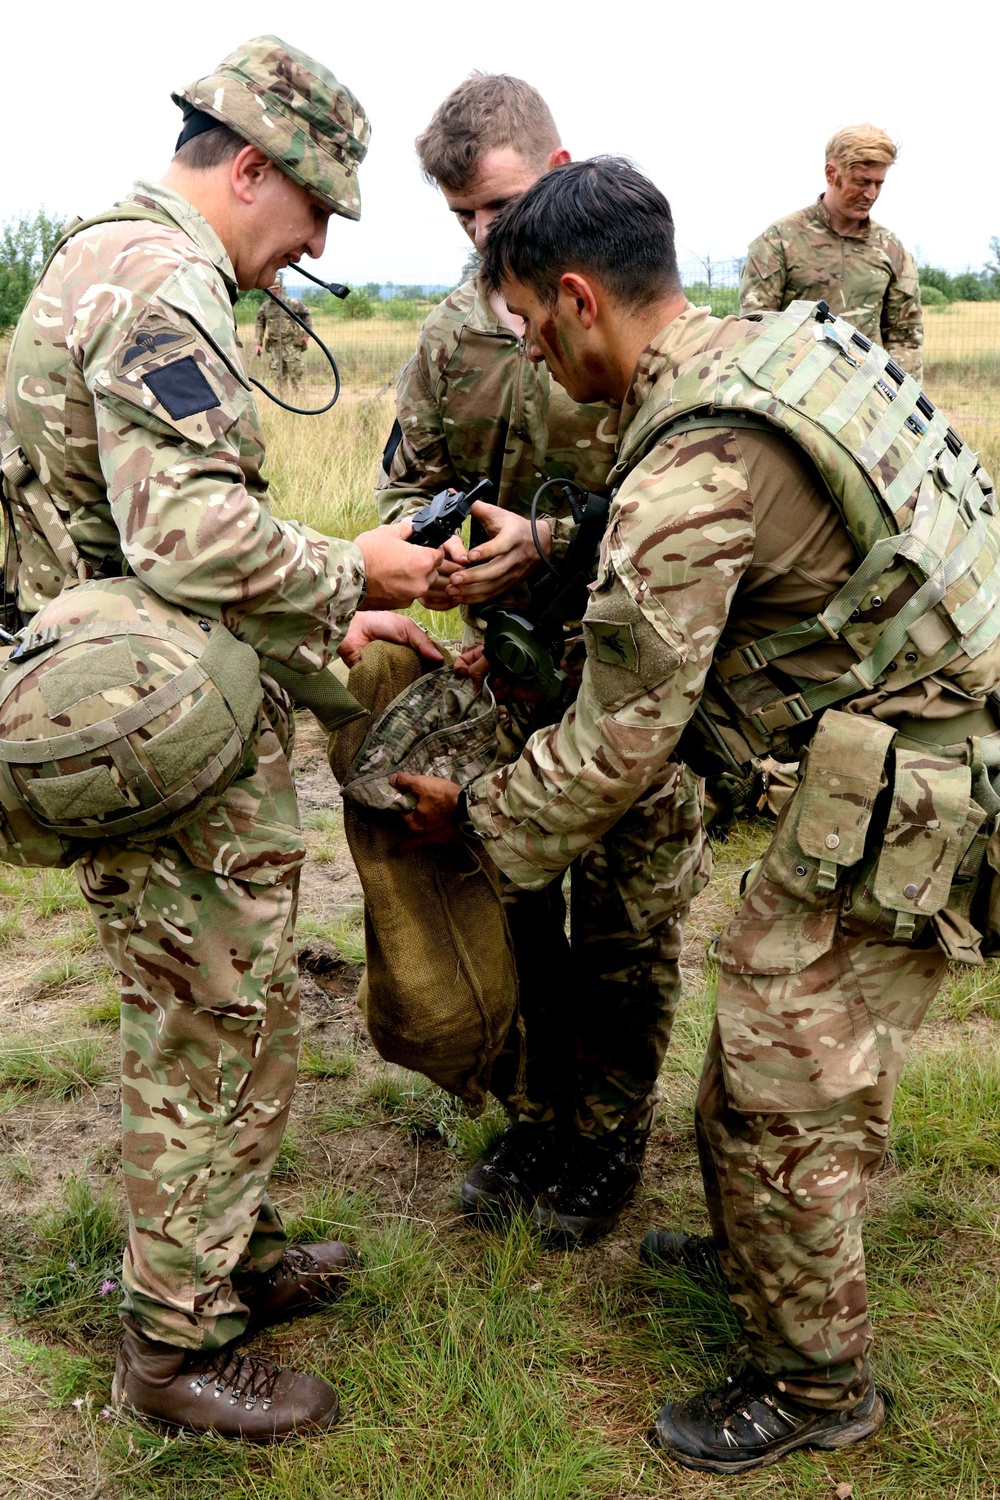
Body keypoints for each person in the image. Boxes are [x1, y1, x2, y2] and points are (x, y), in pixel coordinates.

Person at [394, 157, 1000, 1472]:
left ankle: (815, 1384)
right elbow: (733, 534)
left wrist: (478, 826)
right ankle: (760, 1250)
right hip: (925, 735)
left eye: (532, 330)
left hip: (921, 786)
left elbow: (618, 743)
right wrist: (551, 547)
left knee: (781, 1092)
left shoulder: (691, 468)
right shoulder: (769, 348)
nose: (537, 359)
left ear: (575, 300)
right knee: (760, 1064)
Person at [3, 35, 443, 1441]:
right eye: (311, 216)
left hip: (159, 690)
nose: (307, 252)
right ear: (248, 168)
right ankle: (175, 1347)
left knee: (236, 1005)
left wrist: (334, 643)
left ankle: (221, 1251)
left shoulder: (120, 257)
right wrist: (356, 575)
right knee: (207, 1017)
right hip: (148, 715)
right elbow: (183, 532)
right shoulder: (163, 279)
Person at [377, 74, 710, 1245]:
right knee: (510, 906)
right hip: (506, 681)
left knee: (625, 927)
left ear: (560, 167)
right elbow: (404, 480)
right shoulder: (449, 337)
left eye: (501, 207)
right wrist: (437, 553)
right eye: (463, 219)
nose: (485, 238)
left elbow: (682, 510)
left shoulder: (631, 319)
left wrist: (546, 545)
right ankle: (532, 1112)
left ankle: (608, 1133)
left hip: (630, 681)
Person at [740, 124, 923, 380]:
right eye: (862, 182)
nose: (871, 194)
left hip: (868, 399)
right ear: (831, 173)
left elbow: (905, 337)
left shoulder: (891, 249)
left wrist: (904, 405)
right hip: (792, 396)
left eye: (878, 183)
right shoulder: (779, 240)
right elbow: (755, 330)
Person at [254, 272, 312, 388]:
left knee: (297, 375)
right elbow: (260, 324)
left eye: (274, 289)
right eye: (270, 289)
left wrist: (306, 335)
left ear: (280, 289)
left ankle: (299, 402)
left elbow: (306, 315)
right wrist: (258, 343)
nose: (272, 292)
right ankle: (282, 402)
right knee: (278, 377)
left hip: (291, 345)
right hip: (275, 346)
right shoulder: (265, 307)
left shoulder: (292, 303)